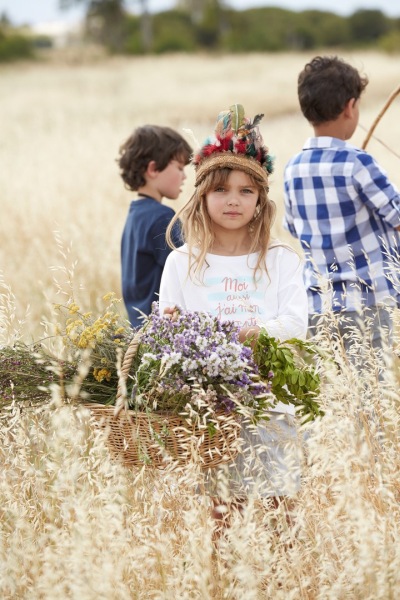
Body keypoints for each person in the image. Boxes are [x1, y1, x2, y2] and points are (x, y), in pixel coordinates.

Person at [158, 104, 308, 520]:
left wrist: (241, 334)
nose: (233, 201)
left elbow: (296, 323)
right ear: (202, 196)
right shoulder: (182, 263)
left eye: (246, 191)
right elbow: (168, 331)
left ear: (260, 199)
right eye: (221, 190)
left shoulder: (279, 259)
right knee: (224, 516)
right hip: (212, 411)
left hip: (274, 404)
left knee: (281, 513)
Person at [283, 55, 400, 352]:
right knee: (375, 379)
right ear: (350, 106)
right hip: (371, 304)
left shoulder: (293, 168)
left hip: (319, 307)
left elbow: (294, 229)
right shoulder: (358, 163)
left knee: (335, 377)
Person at [118, 125, 192, 328]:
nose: (184, 176)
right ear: (153, 169)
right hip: (162, 331)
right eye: (179, 168)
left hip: (139, 328)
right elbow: (189, 273)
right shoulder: (162, 218)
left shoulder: (136, 214)